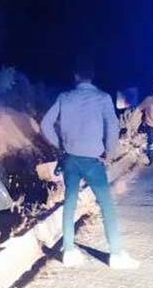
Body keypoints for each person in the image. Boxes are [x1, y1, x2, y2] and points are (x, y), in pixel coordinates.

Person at [40, 62, 140, 270]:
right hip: (94, 161)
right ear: (92, 77)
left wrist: (60, 145)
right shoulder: (102, 98)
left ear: (75, 76)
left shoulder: (64, 97)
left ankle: (68, 251)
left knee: (69, 202)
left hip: (70, 158)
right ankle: (116, 255)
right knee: (106, 205)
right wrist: (109, 153)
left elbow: (45, 124)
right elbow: (112, 127)